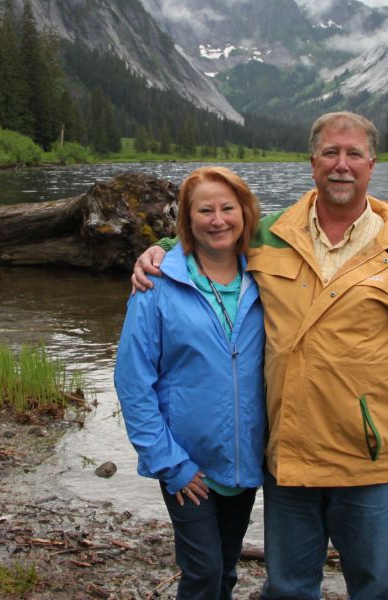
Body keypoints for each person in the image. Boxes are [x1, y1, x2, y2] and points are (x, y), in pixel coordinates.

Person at [131, 112, 388, 600]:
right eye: (331, 153)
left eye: (354, 154)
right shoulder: (272, 236)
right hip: (289, 461)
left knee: (377, 589)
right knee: (289, 589)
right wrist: (160, 249)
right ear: (312, 163)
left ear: (372, 165)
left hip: (372, 465)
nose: (342, 165)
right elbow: (211, 238)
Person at [114, 166, 266, 599]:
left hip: (244, 460)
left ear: (245, 213)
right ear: (187, 218)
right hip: (186, 463)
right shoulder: (157, 282)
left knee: (226, 570)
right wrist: (170, 463)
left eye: (227, 208)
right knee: (202, 572)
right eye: (205, 210)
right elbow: (132, 380)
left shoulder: (266, 276)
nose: (217, 220)